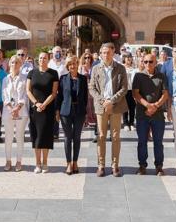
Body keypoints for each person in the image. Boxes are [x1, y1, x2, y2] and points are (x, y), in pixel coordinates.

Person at [88, 42, 128, 177]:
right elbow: (91, 87)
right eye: (103, 53)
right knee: (101, 136)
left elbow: (124, 88)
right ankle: (101, 165)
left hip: (116, 106)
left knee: (116, 136)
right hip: (101, 107)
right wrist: (102, 101)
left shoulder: (120, 68)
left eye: (108, 52)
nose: (106, 55)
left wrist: (111, 100)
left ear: (113, 53)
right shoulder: (96, 69)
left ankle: (115, 165)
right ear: (100, 54)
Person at [133, 54, 169, 175]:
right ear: (143, 62)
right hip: (142, 113)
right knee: (142, 141)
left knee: (158, 142)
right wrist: (148, 105)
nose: (148, 64)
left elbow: (165, 94)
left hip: (158, 114)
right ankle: (142, 165)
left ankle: (159, 166)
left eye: (151, 61)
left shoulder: (161, 76)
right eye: (146, 62)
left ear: (156, 62)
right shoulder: (138, 76)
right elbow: (135, 94)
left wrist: (156, 106)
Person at [26, 52, 59, 173]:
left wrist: (44, 104)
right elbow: (28, 91)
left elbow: (54, 92)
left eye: (44, 58)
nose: (42, 60)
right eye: (40, 58)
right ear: (37, 60)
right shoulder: (32, 73)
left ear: (48, 59)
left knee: (45, 135)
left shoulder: (53, 73)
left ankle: (45, 163)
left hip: (48, 109)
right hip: (35, 109)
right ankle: (37, 164)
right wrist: (36, 103)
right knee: (36, 136)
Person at [55, 56, 88, 175]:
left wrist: (86, 113)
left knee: (77, 137)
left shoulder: (83, 79)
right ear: (67, 66)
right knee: (68, 137)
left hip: (79, 112)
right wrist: (57, 111)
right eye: (70, 64)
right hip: (66, 112)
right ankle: (68, 163)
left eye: (74, 63)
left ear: (78, 64)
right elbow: (59, 97)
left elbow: (85, 97)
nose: (72, 66)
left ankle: (75, 162)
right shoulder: (63, 79)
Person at [2, 55, 28, 172]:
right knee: (8, 137)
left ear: (20, 64)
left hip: (21, 111)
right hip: (8, 112)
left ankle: (19, 161)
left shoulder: (25, 78)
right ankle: (8, 160)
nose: (14, 65)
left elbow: (25, 95)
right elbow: (4, 96)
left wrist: (17, 107)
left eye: (17, 62)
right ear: (9, 64)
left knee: (19, 137)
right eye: (12, 62)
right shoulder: (5, 79)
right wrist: (11, 108)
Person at [122, 54, 137, 131]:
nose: (128, 59)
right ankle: (125, 123)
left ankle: (131, 123)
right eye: (127, 57)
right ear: (124, 59)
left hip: (133, 90)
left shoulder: (134, 68)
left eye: (129, 57)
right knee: (125, 107)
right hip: (124, 90)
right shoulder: (122, 67)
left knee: (132, 107)